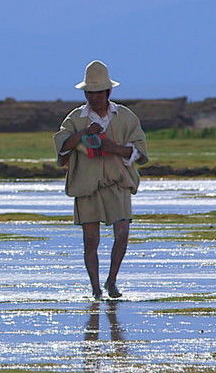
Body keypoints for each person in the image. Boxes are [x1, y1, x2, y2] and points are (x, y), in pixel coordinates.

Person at [55, 60, 148, 300]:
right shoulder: (76, 119)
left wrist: (113, 147)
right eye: (90, 93)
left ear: (108, 92)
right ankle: (95, 288)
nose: (94, 97)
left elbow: (140, 151)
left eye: (98, 92)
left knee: (122, 233)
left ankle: (112, 280)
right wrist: (84, 133)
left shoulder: (125, 117)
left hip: (118, 182)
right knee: (90, 240)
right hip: (86, 186)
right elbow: (63, 149)